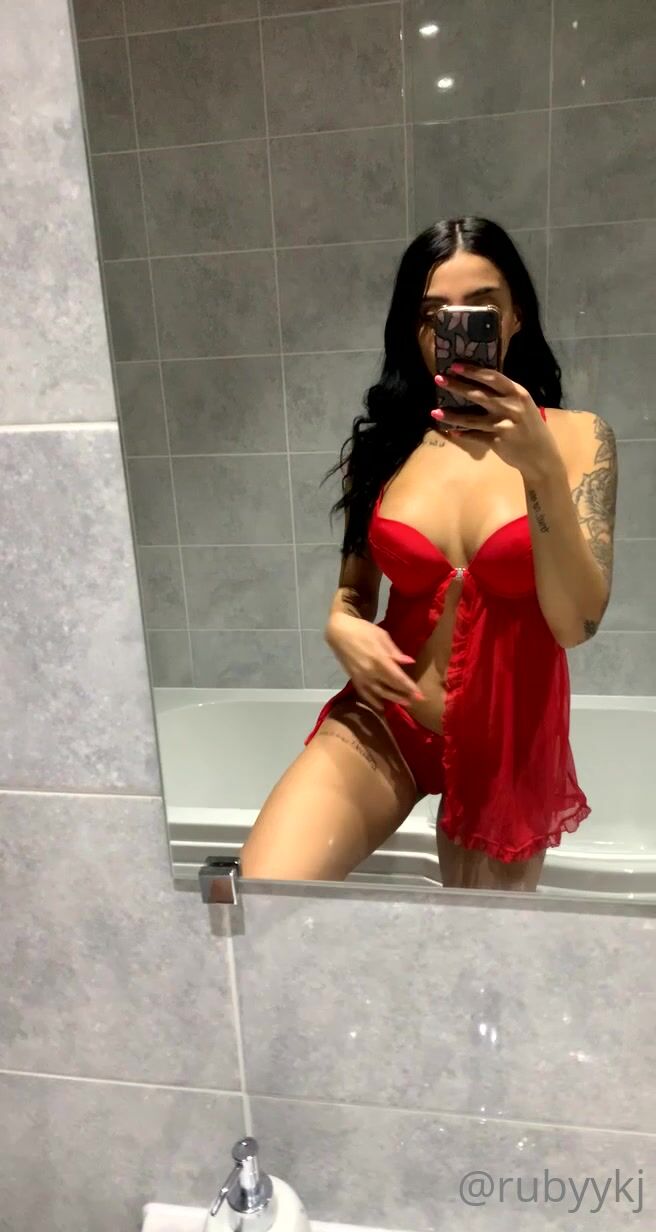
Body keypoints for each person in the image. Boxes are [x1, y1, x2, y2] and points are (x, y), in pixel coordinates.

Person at [240, 217, 617, 892]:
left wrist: (540, 471)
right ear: (411, 329)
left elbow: (575, 623)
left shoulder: (578, 439)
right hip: (388, 722)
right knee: (262, 893)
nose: (453, 331)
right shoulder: (383, 448)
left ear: (515, 317)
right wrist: (341, 623)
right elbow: (355, 593)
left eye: (479, 309)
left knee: (476, 946)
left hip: (507, 744)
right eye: (432, 315)